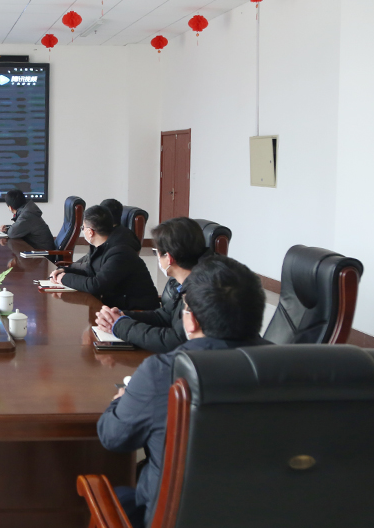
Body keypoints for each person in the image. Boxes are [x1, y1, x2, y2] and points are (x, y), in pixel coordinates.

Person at [97, 256, 269, 528]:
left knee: (116, 496)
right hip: (267, 512)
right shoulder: (292, 369)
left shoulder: (163, 372)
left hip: (175, 518)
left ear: (193, 322)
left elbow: (113, 438)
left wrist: (119, 402)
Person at [95, 217, 206, 353]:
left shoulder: (202, 288)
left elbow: (174, 341)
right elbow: (164, 316)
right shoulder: (189, 279)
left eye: (156, 252)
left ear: (169, 258)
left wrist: (119, 325)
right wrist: (121, 316)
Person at [50, 205, 158, 310]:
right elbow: (91, 272)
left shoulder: (120, 252)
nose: (83, 231)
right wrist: (65, 270)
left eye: (83, 228)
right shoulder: (101, 246)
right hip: (115, 305)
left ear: (90, 232)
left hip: (136, 311)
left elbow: (97, 285)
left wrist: (64, 278)